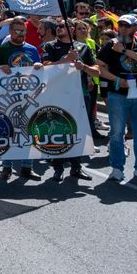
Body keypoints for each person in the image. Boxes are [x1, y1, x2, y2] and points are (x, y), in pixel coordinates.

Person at [97, 14, 137, 182]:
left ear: (135, 28)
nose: (123, 28)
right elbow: (100, 67)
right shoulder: (110, 44)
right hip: (118, 96)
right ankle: (117, 169)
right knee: (116, 133)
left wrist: (123, 51)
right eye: (121, 25)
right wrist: (117, 80)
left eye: (127, 26)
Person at [41, 20, 98, 182]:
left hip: (80, 94)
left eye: (61, 26)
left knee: (79, 130)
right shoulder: (50, 46)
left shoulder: (83, 47)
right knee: (60, 130)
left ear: (71, 29)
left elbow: (96, 71)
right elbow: (46, 67)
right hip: (58, 94)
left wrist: (84, 67)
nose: (58, 28)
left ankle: (76, 166)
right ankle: (58, 168)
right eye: (57, 26)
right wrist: (66, 59)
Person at [0, 16, 43, 181]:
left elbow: (39, 71)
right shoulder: (3, 49)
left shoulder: (32, 49)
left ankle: (27, 167)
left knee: (29, 130)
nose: (21, 34)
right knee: (9, 132)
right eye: (17, 31)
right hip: (8, 97)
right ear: (11, 31)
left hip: (28, 96)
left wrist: (39, 67)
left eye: (23, 31)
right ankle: (7, 167)